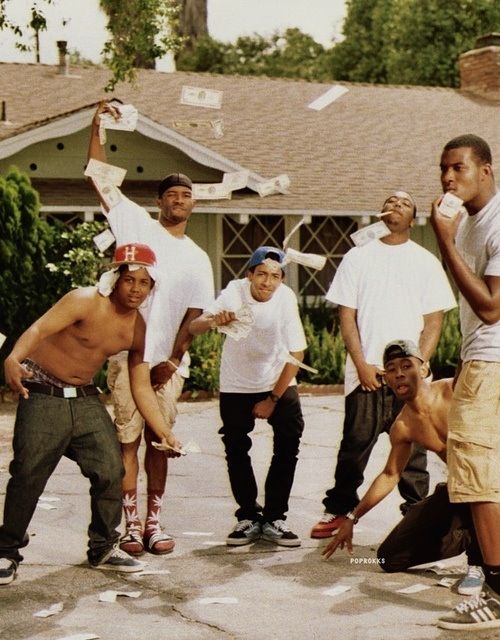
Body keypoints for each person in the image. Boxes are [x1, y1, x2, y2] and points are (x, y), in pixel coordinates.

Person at [0, 243, 183, 586]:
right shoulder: (83, 299)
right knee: (28, 473)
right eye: (130, 280)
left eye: (145, 283)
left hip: (85, 398)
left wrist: (163, 432)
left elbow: (140, 385)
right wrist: (13, 358)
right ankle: (6, 552)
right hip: (42, 390)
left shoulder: (138, 329)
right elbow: (39, 329)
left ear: (152, 288)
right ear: (115, 278)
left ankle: (103, 546)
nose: (136, 289)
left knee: (111, 468)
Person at [88, 101, 214, 556]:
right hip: (127, 357)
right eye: (172, 195)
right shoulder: (137, 227)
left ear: (193, 204)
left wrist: (174, 360)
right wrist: (97, 124)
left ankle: (155, 522)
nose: (179, 201)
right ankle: (130, 523)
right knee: (129, 439)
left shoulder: (198, 257)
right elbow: (99, 177)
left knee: (161, 443)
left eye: (186, 196)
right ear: (159, 202)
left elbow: (194, 317)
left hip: (168, 365)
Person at [311, 191, 457, 539]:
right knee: (354, 446)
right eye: (391, 201)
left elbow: (433, 321)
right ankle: (338, 511)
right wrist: (361, 363)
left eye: (404, 204)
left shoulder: (425, 261)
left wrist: (420, 364)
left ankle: (417, 516)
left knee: (414, 456)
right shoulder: (357, 257)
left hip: (410, 377)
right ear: (380, 212)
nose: (396, 206)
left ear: (413, 219)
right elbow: (347, 316)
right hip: (369, 373)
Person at [322, 340, 484, 598]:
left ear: (423, 369)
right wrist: (352, 518)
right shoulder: (403, 426)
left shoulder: (452, 390)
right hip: (458, 490)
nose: (398, 373)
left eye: (406, 365)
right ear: (385, 378)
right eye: (391, 368)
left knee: (476, 485)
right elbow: (390, 474)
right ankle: (478, 537)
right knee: (389, 559)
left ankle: (480, 561)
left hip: (489, 480)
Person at [189, 247, 307, 547]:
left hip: (277, 379)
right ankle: (248, 517)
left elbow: (297, 353)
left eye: (275, 276)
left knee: (288, 443)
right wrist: (216, 319)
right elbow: (195, 327)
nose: (268, 282)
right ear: (250, 275)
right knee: (236, 448)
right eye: (262, 274)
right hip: (237, 383)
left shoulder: (285, 297)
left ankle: (275, 518)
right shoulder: (234, 292)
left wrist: (273, 399)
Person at [430, 134, 500, 631]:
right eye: (443, 170)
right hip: (480, 359)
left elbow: (491, 308)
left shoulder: (492, 223)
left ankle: (495, 593)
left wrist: (444, 239)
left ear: (487, 171)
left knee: (477, 479)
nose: (449, 179)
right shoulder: (474, 223)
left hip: (491, 361)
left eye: (459, 168)